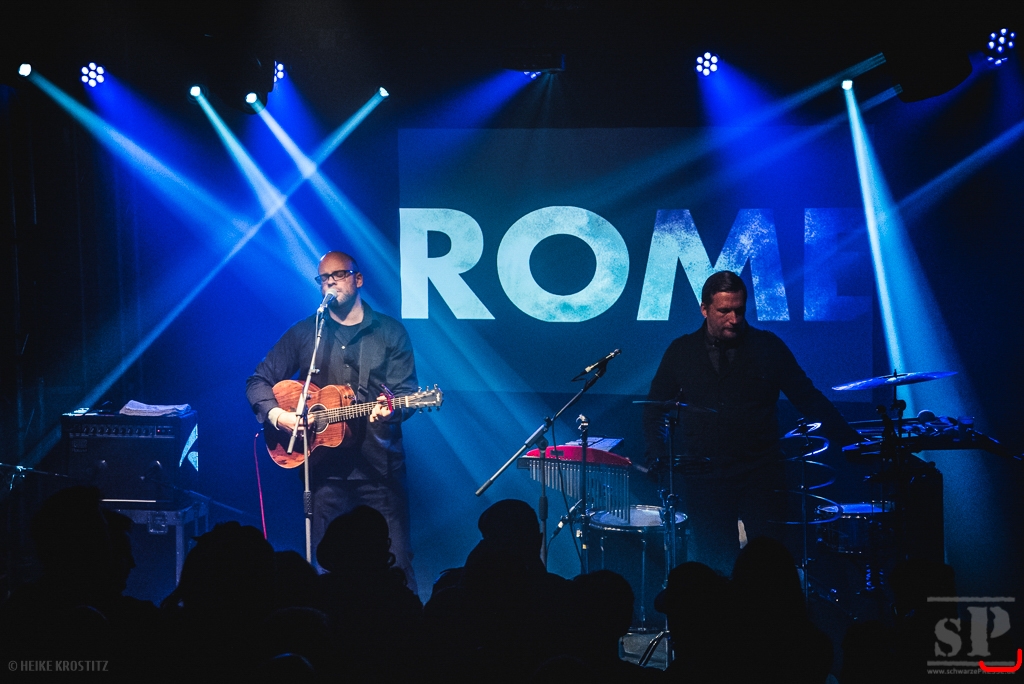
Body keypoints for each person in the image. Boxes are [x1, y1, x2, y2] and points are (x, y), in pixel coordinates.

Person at [642, 270, 859, 574]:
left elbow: (808, 398)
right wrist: (657, 454)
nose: (734, 319)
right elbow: (654, 409)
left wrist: (850, 439)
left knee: (767, 565)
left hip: (760, 472)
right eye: (724, 311)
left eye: (739, 310)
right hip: (705, 476)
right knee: (715, 564)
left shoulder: (768, 347)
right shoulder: (682, 351)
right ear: (704, 309)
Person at [246, 251, 419, 591]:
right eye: (324, 278)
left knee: (395, 562)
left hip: (379, 470)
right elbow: (257, 381)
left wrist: (392, 410)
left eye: (338, 275)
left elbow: (406, 394)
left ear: (358, 279)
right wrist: (279, 416)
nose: (330, 283)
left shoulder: (390, 332)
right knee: (324, 569)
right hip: (322, 471)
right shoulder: (306, 333)